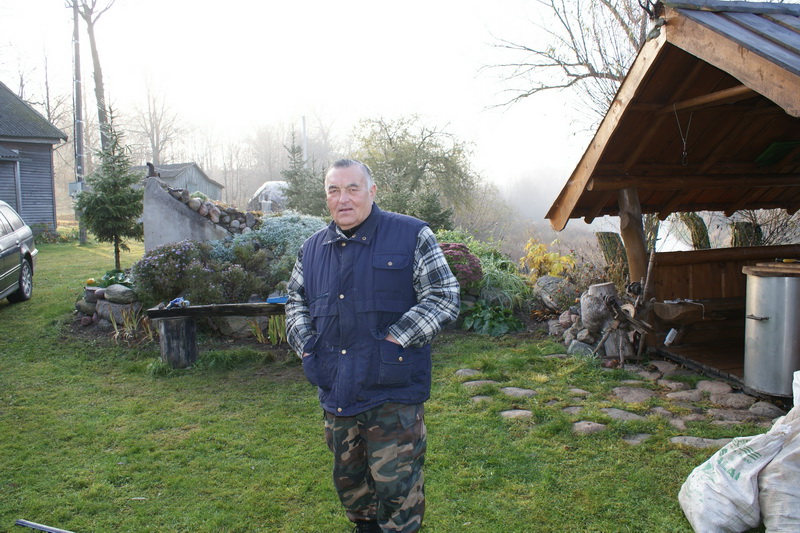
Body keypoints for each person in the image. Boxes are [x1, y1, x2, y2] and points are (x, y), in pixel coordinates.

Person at [285, 159, 460, 533]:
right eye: (334, 190)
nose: (343, 199)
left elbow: (443, 295)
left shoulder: (411, 234)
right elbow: (295, 301)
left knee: (398, 492)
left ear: (372, 191)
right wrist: (307, 348)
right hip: (338, 391)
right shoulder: (311, 249)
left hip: (391, 394)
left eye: (353, 188)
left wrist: (397, 338)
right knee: (352, 488)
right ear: (326, 197)